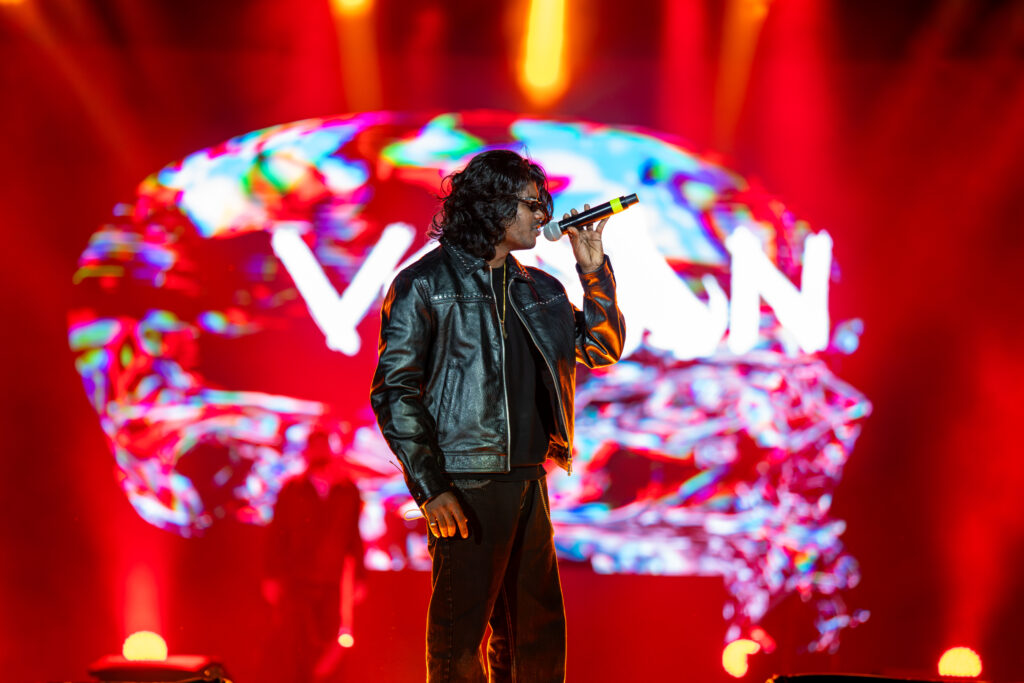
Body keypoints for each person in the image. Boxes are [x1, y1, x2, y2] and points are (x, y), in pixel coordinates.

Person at [370, 149, 625, 682]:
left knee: (535, 639)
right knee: (460, 641)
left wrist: (594, 271)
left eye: (542, 204)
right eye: (532, 204)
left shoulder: (541, 290)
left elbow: (601, 347)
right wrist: (431, 487)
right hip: (466, 481)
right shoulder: (425, 284)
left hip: (530, 480)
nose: (543, 215)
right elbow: (395, 391)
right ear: (492, 206)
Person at [263, 429, 366, 682]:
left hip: (332, 581)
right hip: (296, 580)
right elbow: (277, 534)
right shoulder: (292, 490)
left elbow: (354, 535)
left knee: (330, 644)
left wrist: (360, 577)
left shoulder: (348, 491)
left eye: (324, 447)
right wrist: (271, 575)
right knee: (295, 646)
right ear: (307, 453)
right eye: (315, 448)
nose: (320, 453)